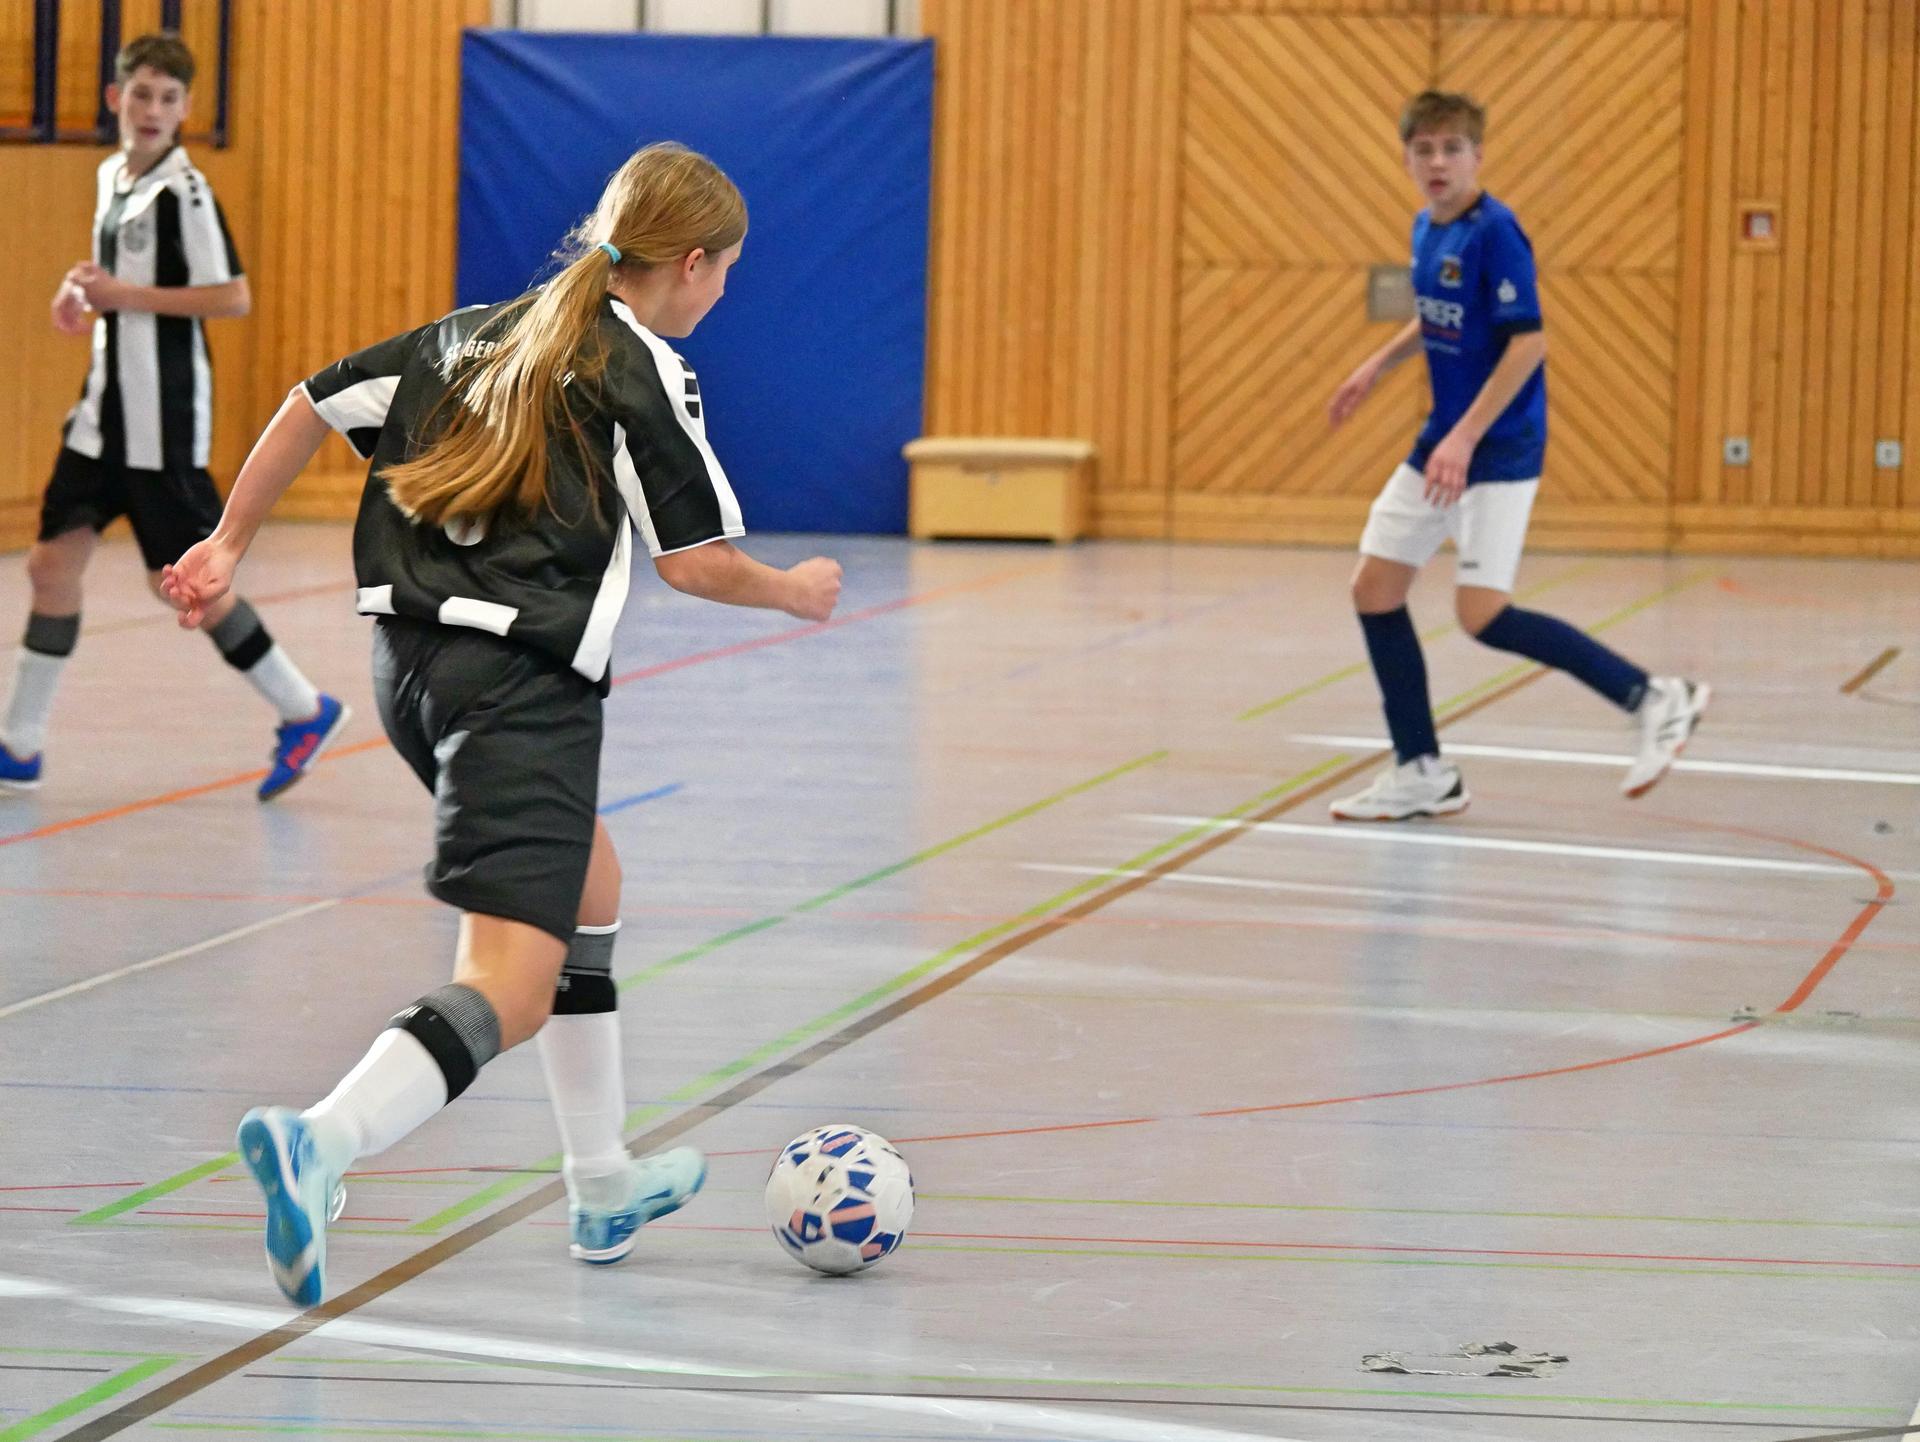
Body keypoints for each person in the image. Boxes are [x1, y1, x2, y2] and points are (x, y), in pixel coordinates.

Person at [163, 142, 843, 1306]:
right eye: (725, 270)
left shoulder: (473, 331)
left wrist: (229, 541)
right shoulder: (641, 370)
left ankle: (601, 1177)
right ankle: (322, 1136)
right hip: (517, 688)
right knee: (510, 987)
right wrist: (794, 587)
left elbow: (310, 404)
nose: (721, 291)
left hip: (408, 670)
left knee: (592, 883)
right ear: (690, 264)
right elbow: (695, 563)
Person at [1323, 90, 1707, 822]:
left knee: (1483, 614)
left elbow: (1529, 342)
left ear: (1478, 156)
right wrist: (1378, 363)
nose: (1437, 163)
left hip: (1496, 449)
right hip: (1444, 441)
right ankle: (1422, 771)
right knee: (1375, 588)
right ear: (1406, 158)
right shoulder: (1425, 227)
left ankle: (1654, 696)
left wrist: (1466, 437)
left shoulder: (1496, 233)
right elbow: (1439, 315)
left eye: (1451, 149)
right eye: (1423, 150)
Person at [0, 32, 345, 800]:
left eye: (168, 98)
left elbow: (232, 296)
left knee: (191, 587)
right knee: (50, 565)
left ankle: (304, 707)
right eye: (142, 94)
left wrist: (126, 298)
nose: (153, 109)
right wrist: (78, 289)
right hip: (99, 419)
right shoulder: (110, 176)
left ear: (186, 109)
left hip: (160, 428)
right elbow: (114, 276)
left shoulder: (185, 195)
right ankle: (18, 745)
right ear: (116, 99)